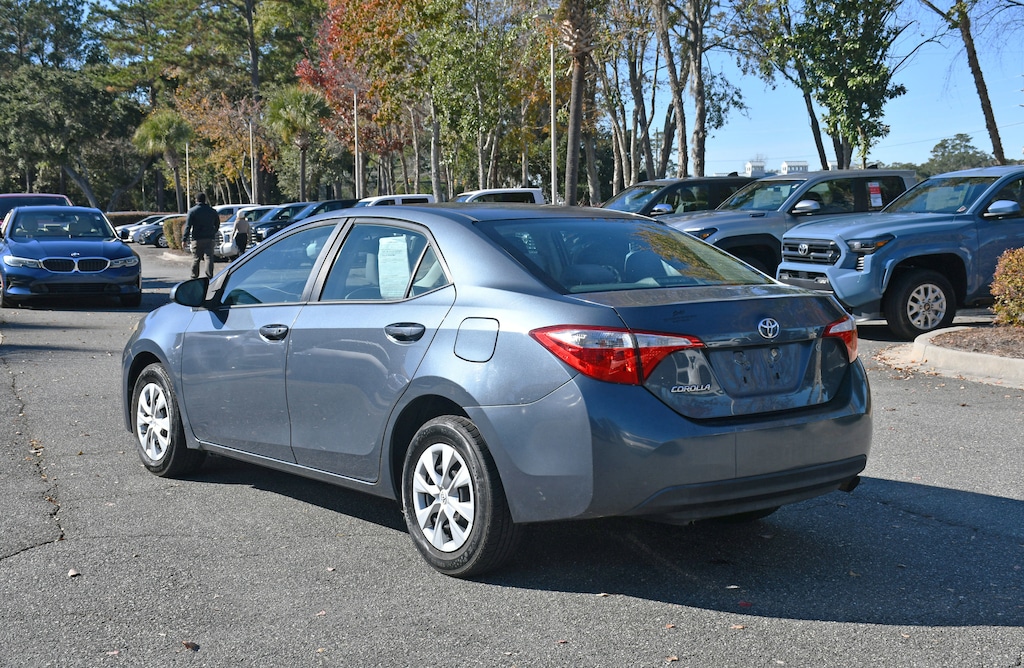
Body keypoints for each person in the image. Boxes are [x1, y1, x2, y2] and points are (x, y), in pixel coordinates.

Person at [182, 193, 220, 279]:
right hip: (209, 238)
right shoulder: (212, 211)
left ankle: (194, 276)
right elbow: (217, 224)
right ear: (205, 200)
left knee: (196, 258)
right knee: (209, 258)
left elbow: (188, 226)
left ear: (196, 200)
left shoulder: (192, 211)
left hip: (197, 238)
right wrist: (213, 232)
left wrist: (184, 239)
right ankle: (209, 276)